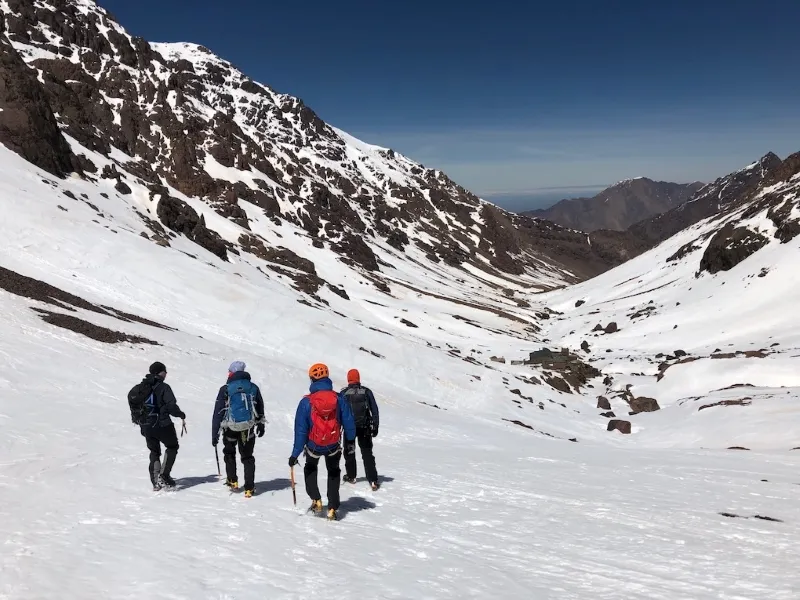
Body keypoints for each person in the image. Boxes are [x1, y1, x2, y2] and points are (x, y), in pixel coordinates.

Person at [288, 363, 356, 520]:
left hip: (313, 445)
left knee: (310, 468)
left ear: (312, 379)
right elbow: (349, 423)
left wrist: (295, 454)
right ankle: (332, 508)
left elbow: (300, 431)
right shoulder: (339, 398)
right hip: (333, 444)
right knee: (333, 471)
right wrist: (350, 441)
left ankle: (316, 499)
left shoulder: (306, 402)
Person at [212, 361, 266, 498]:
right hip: (248, 428)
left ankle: (233, 481)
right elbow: (259, 407)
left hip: (230, 427)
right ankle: (249, 488)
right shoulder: (253, 388)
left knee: (229, 453)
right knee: (247, 457)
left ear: (232, 372)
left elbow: (218, 412)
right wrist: (260, 424)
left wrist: (214, 434)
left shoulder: (225, 389)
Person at [137, 361, 186, 490]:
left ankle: (155, 482)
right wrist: (181, 414)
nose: (166, 374)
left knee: (154, 452)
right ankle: (164, 475)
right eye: (165, 371)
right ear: (160, 372)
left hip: (146, 425)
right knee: (172, 446)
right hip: (163, 424)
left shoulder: (141, 387)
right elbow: (171, 406)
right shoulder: (164, 387)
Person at [340, 369, 380, 490]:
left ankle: (351, 476)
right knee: (367, 454)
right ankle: (373, 480)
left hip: (349, 429)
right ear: (358, 378)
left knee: (349, 452)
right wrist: (376, 426)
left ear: (348, 379)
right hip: (365, 428)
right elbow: (374, 410)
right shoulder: (366, 392)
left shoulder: (343, 393)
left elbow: (339, 412)